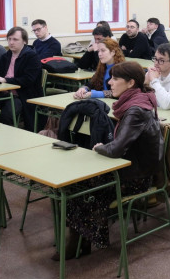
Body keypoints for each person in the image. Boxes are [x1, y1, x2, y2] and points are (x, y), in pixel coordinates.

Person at [63, 61, 163, 256]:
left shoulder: (135, 110)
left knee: (80, 186)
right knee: (77, 184)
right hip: (131, 167)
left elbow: (116, 149)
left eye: (116, 79)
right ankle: (83, 237)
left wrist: (100, 148)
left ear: (131, 83)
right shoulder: (138, 100)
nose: (110, 82)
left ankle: (82, 240)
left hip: (137, 177)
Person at [0, 27, 43, 131]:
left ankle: (7, 138)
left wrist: (5, 80)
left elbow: (28, 80)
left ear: (24, 41)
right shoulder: (7, 55)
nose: (11, 42)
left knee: (6, 115)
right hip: (4, 94)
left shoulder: (31, 56)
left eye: (15, 39)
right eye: (9, 39)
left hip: (23, 96)